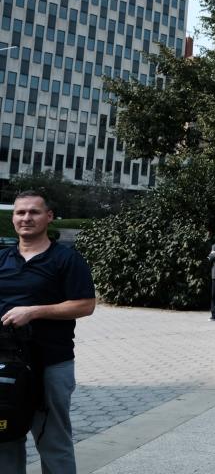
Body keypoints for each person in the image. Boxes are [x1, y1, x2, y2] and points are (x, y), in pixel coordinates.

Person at [0, 190, 96, 474]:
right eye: (20, 212)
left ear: (49, 217)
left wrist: (33, 311)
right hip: (6, 363)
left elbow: (85, 305)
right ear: (13, 218)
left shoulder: (66, 259)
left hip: (51, 363)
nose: (26, 218)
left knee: (53, 439)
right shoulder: (2, 259)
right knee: (4, 437)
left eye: (34, 212)